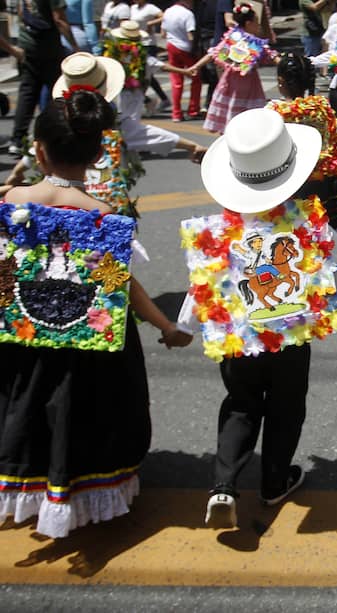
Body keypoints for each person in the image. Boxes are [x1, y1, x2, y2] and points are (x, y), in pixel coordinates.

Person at [171, 108, 337, 528]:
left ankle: (224, 486)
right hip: (290, 336)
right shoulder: (305, 224)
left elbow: (204, 287)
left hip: (239, 338)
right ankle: (273, 482)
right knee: (286, 408)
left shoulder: (220, 230)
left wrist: (182, 328)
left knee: (240, 406)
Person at [0, 88, 186, 538]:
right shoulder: (101, 213)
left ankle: (32, 482)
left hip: (24, 329)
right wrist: (166, 326)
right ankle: (80, 490)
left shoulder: (11, 200)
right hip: (91, 340)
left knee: (27, 403)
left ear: (39, 150)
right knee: (87, 410)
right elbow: (119, 284)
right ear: (100, 152)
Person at [270, 53, 337, 231]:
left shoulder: (273, 111)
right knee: (319, 232)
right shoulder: (322, 107)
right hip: (320, 180)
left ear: (280, 81)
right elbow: (336, 135)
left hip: (286, 183)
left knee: (290, 236)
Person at [99, 25, 207, 161]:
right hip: (134, 94)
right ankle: (138, 146)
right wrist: (185, 71)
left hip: (119, 95)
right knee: (130, 123)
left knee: (128, 125)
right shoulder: (141, 56)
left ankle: (189, 146)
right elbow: (162, 66)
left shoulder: (112, 56)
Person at [191, 3, 278, 134]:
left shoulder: (235, 37)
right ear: (248, 23)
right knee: (246, 113)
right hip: (246, 82)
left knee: (231, 110)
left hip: (232, 81)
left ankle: (228, 133)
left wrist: (196, 66)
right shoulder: (250, 41)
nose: (258, 25)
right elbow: (272, 57)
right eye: (256, 22)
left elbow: (214, 52)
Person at [9, 0, 77, 156]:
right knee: (56, 91)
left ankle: (18, 140)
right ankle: (51, 136)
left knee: (28, 92)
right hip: (48, 46)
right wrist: (75, 47)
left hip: (28, 42)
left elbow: (21, 12)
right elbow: (59, 19)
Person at [162, 0, 202, 122]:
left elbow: (163, 33)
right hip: (185, 48)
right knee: (195, 77)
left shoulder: (168, 11)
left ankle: (176, 113)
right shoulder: (187, 14)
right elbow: (190, 35)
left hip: (171, 45)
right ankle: (193, 109)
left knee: (176, 80)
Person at [130, 0, 170, 113]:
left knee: (147, 73)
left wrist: (151, 23)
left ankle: (147, 100)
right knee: (146, 74)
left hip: (148, 43)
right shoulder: (133, 8)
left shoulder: (150, 8)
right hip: (137, 42)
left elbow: (164, 17)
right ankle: (155, 99)